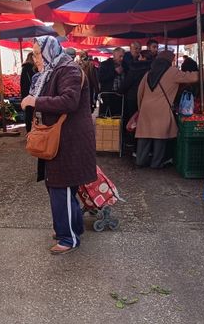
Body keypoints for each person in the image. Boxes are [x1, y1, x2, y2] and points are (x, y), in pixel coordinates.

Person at [20, 35, 96, 255]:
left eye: (37, 53)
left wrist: (35, 101)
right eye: (34, 54)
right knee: (61, 187)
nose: (35, 59)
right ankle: (72, 228)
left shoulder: (68, 70)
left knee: (60, 187)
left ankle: (68, 238)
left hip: (68, 140)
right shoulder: (54, 70)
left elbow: (69, 101)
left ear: (48, 51)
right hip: (59, 138)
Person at [136, 50, 204, 168]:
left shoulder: (149, 73)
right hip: (161, 109)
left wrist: (140, 108)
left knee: (144, 135)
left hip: (146, 108)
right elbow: (191, 77)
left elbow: (140, 92)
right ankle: (156, 163)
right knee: (160, 137)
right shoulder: (172, 72)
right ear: (169, 61)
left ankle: (140, 161)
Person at [119, 50, 154, 148]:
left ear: (143, 57)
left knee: (133, 121)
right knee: (146, 122)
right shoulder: (153, 69)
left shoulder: (135, 68)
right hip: (147, 98)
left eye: (139, 57)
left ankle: (134, 144)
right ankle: (146, 147)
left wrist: (120, 91)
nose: (137, 58)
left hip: (133, 97)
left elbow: (127, 83)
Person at [98, 47, 128, 116]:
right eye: (120, 56)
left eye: (123, 56)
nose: (121, 59)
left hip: (120, 96)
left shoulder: (125, 65)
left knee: (118, 117)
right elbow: (101, 78)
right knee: (106, 117)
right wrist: (115, 72)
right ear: (114, 56)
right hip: (108, 95)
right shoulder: (105, 64)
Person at [20, 52, 38, 132]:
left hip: (25, 94)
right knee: (33, 114)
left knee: (28, 114)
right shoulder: (32, 69)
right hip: (32, 94)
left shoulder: (24, 68)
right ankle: (31, 132)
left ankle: (29, 131)